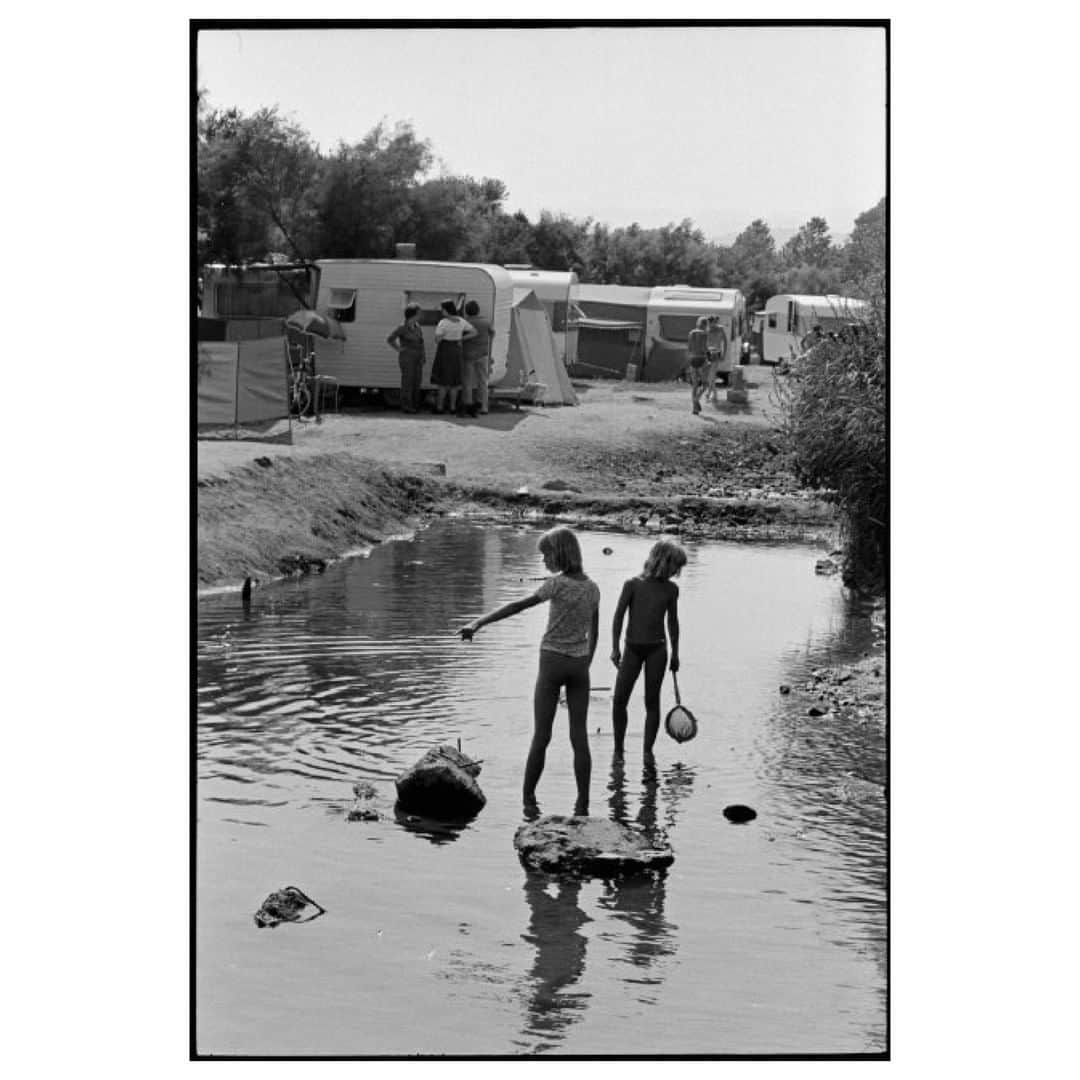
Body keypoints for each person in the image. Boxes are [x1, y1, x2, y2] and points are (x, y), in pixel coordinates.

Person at [460, 526, 600, 816]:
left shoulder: (556, 585)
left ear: (559, 554)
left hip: (552, 662)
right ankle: (582, 803)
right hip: (578, 666)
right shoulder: (593, 588)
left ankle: (528, 801)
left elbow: (517, 606)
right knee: (580, 738)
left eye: (546, 554)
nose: (543, 561)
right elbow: (594, 631)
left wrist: (478, 622)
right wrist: (587, 660)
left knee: (541, 736)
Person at [610, 539, 686, 756]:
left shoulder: (671, 590)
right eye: (675, 567)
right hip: (632, 648)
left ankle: (647, 752)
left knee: (652, 702)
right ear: (663, 562)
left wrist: (676, 653)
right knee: (619, 700)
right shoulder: (632, 584)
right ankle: (618, 751)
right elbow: (618, 617)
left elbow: (673, 622)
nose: (677, 572)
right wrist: (615, 648)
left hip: (657, 650)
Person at [430, 299, 476, 414]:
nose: (442, 312)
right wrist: (461, 338)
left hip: (444, 351)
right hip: (456, 350)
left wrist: (444, 335)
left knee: (442, 381)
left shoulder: (443, 322)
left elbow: (437, 339)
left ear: (446, 310)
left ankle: (440, 407)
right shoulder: (461, 321)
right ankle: (452, 407)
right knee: (455, 382)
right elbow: (474, 332)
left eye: (443, 309)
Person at [385, 302, 426, 413]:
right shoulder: (402, 327)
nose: (420, 315)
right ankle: (406, 406)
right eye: (418, 313)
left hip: (418, 356)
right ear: (412, 314)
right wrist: (399, 349)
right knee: (407, 381)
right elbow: (390, 339)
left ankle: (415, 405)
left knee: (417, 381)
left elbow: (421, 342)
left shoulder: (418, 326)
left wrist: (423, 356)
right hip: (407, 357)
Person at [461, 299, 494, 417]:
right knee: (483, 382)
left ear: (467, 311)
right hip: (483, 355)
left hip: (468, 355)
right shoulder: (486, 321)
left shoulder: (465, 322)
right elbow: (492, 333)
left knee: (468, 382)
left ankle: (469, 405)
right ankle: (484, 407)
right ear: (478, 310)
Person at [685, 316, 709, 414]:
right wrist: (709, 351)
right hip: (701, 359)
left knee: (694, 385)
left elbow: (689, 348)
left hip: (692, 359)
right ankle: (697, 399)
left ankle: (694, 409)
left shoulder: (691, 333)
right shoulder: (704, 334)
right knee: (705, 384)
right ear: (704, 325)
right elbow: (704, 348)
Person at [704, 315, 728, 402]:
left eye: (712, 323)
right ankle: (714, 394)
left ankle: (709, 393)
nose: (710, 325)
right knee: (710, 376)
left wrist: (724, 354)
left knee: (712, 375)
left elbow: (725, 342)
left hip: (716, 353)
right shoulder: (707, 329)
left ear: (714, 321)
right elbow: (705, 342)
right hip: (708, 353)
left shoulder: (720, 329)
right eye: (709, 323)